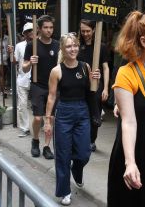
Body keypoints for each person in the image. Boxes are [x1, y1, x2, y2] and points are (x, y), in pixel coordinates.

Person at [45, 33, 100, 205]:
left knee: (84, 152)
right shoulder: (56, 71)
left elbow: (91, 91)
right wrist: (48, 120)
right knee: (62, 155)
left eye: (75, 45)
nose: (73, 49)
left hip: (82, 112)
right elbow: (51, 97)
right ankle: (64, 191)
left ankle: (77, 169)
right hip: (64, 113)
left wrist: (95, 80)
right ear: (62, 48)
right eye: (68, 46)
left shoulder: (85, 67)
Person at [107, 11, 145, 207]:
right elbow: (128, 122)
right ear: (144, 42)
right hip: (136, 154)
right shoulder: (126, 74)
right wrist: (130, 162)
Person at [23, 15, 59, 159]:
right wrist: (30, 62)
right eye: (46, 27)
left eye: (51, 27)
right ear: (39, 28)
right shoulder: (32, 45)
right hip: (37, 84)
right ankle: (35, 140)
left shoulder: (57, 45)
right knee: (38, 118)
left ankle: (46, 146)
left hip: (53, 86)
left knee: (50, 118)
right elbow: (24, 68)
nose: (49, 30)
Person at [78, 19, 110, 151]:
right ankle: (81, 139)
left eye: (88, 31)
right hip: (79, 84)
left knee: (95, 116)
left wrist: (106, 89)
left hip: (96, 85)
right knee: (80, 113)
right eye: (83, 31)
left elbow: (106, 67)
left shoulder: (100, 47)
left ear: (94, 30)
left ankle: (91, 140)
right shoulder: (77, 45)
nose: (85, 33)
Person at [8, 22, 33, 137]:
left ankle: (40, 122)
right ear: (24, 34)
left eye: (32, 30)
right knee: (22, 104)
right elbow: (14, 61)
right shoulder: (19, 46)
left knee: (38, 105)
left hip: (38, 80)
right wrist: (11, 53)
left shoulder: (40, 44)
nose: (31, 33)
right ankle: (25, 128)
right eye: (28, 31)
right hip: (23, 79)